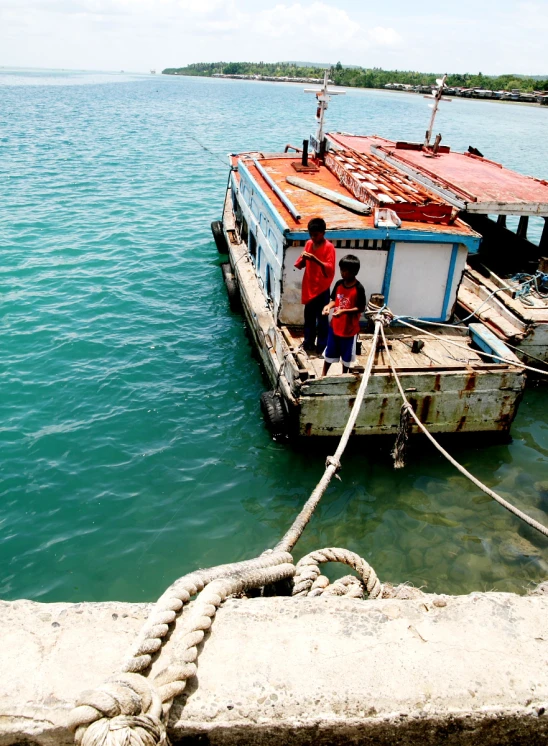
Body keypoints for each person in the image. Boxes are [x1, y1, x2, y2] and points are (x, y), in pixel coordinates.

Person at [294, 217, 336, 353]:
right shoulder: (308, 244)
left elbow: (329, 268)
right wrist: (303, 258)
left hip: (322, 288)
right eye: (311, 234)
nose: (313, 237)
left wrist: (315, 259)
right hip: (309, 286)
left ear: (323, 233)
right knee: (309, 318)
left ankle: (322, 346)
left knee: (322, 319)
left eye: (316, 235)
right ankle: (308, 343)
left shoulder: (329, 247)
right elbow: (300, 264)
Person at [321, 254, 366, 376]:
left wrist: (344, 311)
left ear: (354, 272)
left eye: (346, 270)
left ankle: (344, 375)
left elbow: (361, 307)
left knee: (346, 356)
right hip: (335, 326)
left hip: (349, 329)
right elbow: (334, 300)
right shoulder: (339, 284)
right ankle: (323, 374)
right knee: (330, 351)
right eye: (341, 269)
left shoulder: (359, 288)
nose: (343, 273)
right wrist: (328, 307)